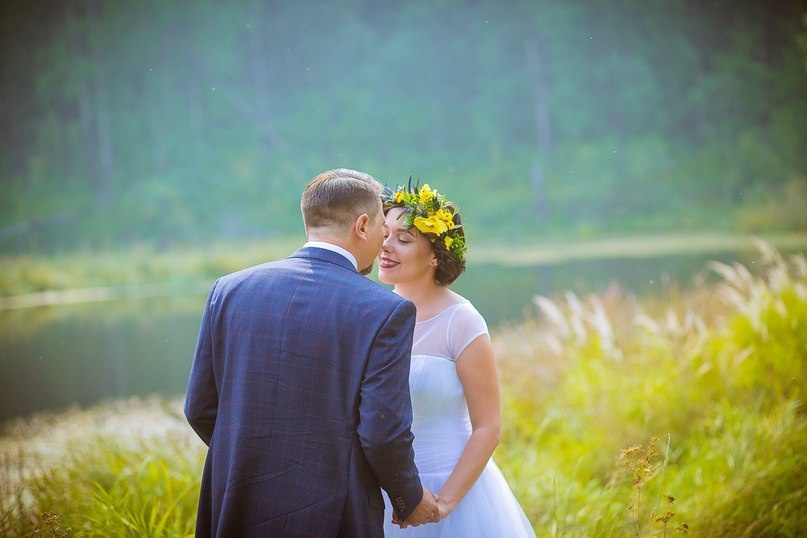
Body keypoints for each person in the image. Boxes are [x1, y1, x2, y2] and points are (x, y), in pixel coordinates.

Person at [184, 169, 440, 537]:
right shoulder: (384, 311)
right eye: (383, 228)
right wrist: (409, 498)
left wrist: (254, 459)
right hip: (334, 512)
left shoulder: (228, 290)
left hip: (235, 501)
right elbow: (382, 432)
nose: (383, 242)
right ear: (362, 225)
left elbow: (200, 407)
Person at [378, 181, 535, 537]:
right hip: (382, 495)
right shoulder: (371, 313)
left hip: (450, 491)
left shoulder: (460, 320)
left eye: (403, 239)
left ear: (435, 255)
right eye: (384, 234)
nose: (386, 247)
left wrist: (445, 504)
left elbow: (488, 427)